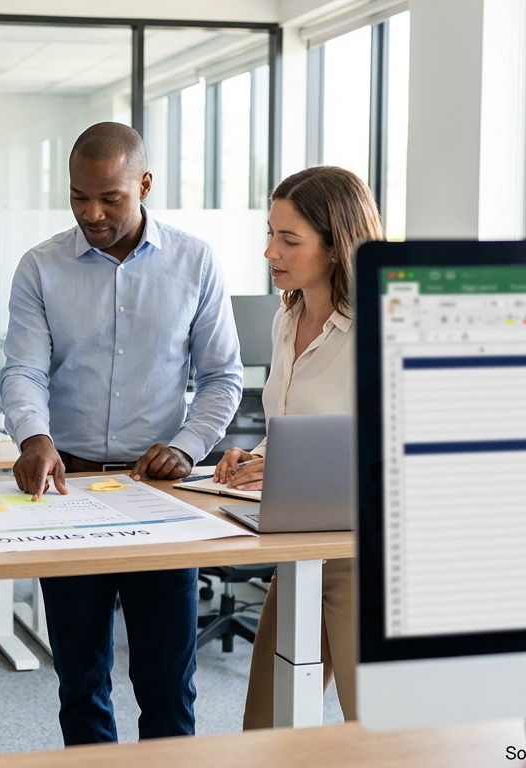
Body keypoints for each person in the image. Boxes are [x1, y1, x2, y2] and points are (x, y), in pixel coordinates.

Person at [0, 121, 243, 745]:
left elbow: (222, 377)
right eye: (80, 196)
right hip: (69, 486)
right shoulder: (40, 267)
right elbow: (23, 369)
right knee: (81, 680)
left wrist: (188, 447)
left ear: (146, 184)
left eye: (110, 197)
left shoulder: (194, 261)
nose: (93, 212)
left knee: (167, 684)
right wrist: (34, 436)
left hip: (160, 492)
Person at [210, 165, 383, 729]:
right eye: (270, 233)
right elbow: (294, 425)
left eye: (289, 239)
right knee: (265, 729)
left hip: (362, 560)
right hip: (298, 554)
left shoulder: (377, 328)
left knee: (384, 737)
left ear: (337, 247)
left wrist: (287, 466)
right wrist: (259, 455)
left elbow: (393, 451)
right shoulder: (288, 318)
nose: (270, 252)